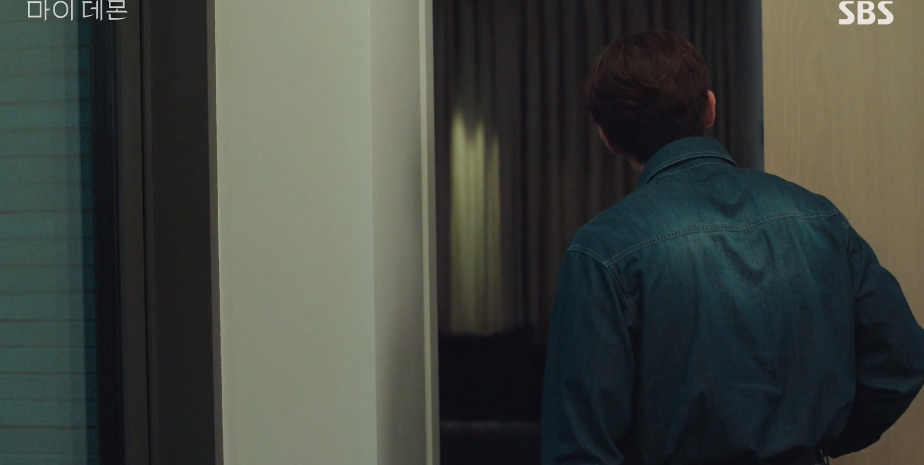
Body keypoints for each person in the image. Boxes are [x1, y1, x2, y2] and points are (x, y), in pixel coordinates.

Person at [540, 30, 924, 465]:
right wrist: (820, 440)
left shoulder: (601, 251)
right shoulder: (817, 217)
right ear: (710, 107)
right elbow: (901, 360)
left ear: (608, 137)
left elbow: (580, 448)